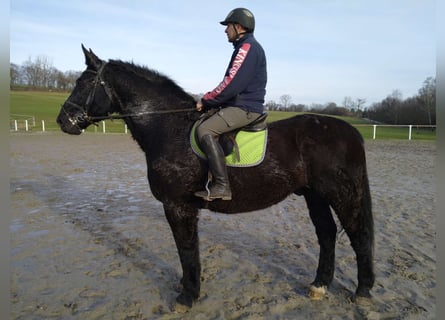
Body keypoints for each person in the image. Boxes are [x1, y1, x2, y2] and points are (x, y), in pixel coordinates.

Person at [194, 7, 267, 201]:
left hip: (244, 108)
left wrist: (207, 99)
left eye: (228, 26)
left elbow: (231, 84)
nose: (226, 30)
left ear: (239, 26)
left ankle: (222, 186)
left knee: (205, 130)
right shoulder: (246, 47)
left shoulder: (247, 48)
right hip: (241, 104)